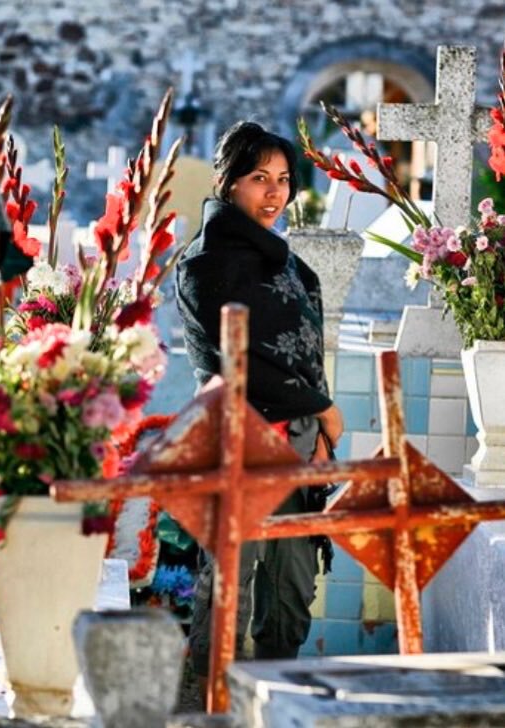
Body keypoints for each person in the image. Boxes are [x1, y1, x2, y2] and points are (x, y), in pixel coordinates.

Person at [175, 121, 344, 681]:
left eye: (283, 180)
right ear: (228, 184)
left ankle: (277, 699)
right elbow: (241, 360)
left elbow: (304, 352)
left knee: (292, 586)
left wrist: (318, 432)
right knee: (228, 587)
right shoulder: (204, 265)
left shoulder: (292, 266)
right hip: (239, 439)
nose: (275, 193)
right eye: (257, 178)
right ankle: (211, 703)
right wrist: (321, 405)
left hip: (299, 443)